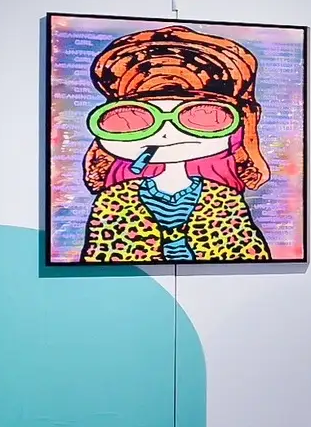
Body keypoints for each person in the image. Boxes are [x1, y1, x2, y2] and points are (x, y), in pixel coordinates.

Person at [77, 23, 277, 264]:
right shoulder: (114, 201)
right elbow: (103, 259)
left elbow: (245, 255)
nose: (167, 133)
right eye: (134, 119)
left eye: (202, 117)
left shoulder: (225, 200)